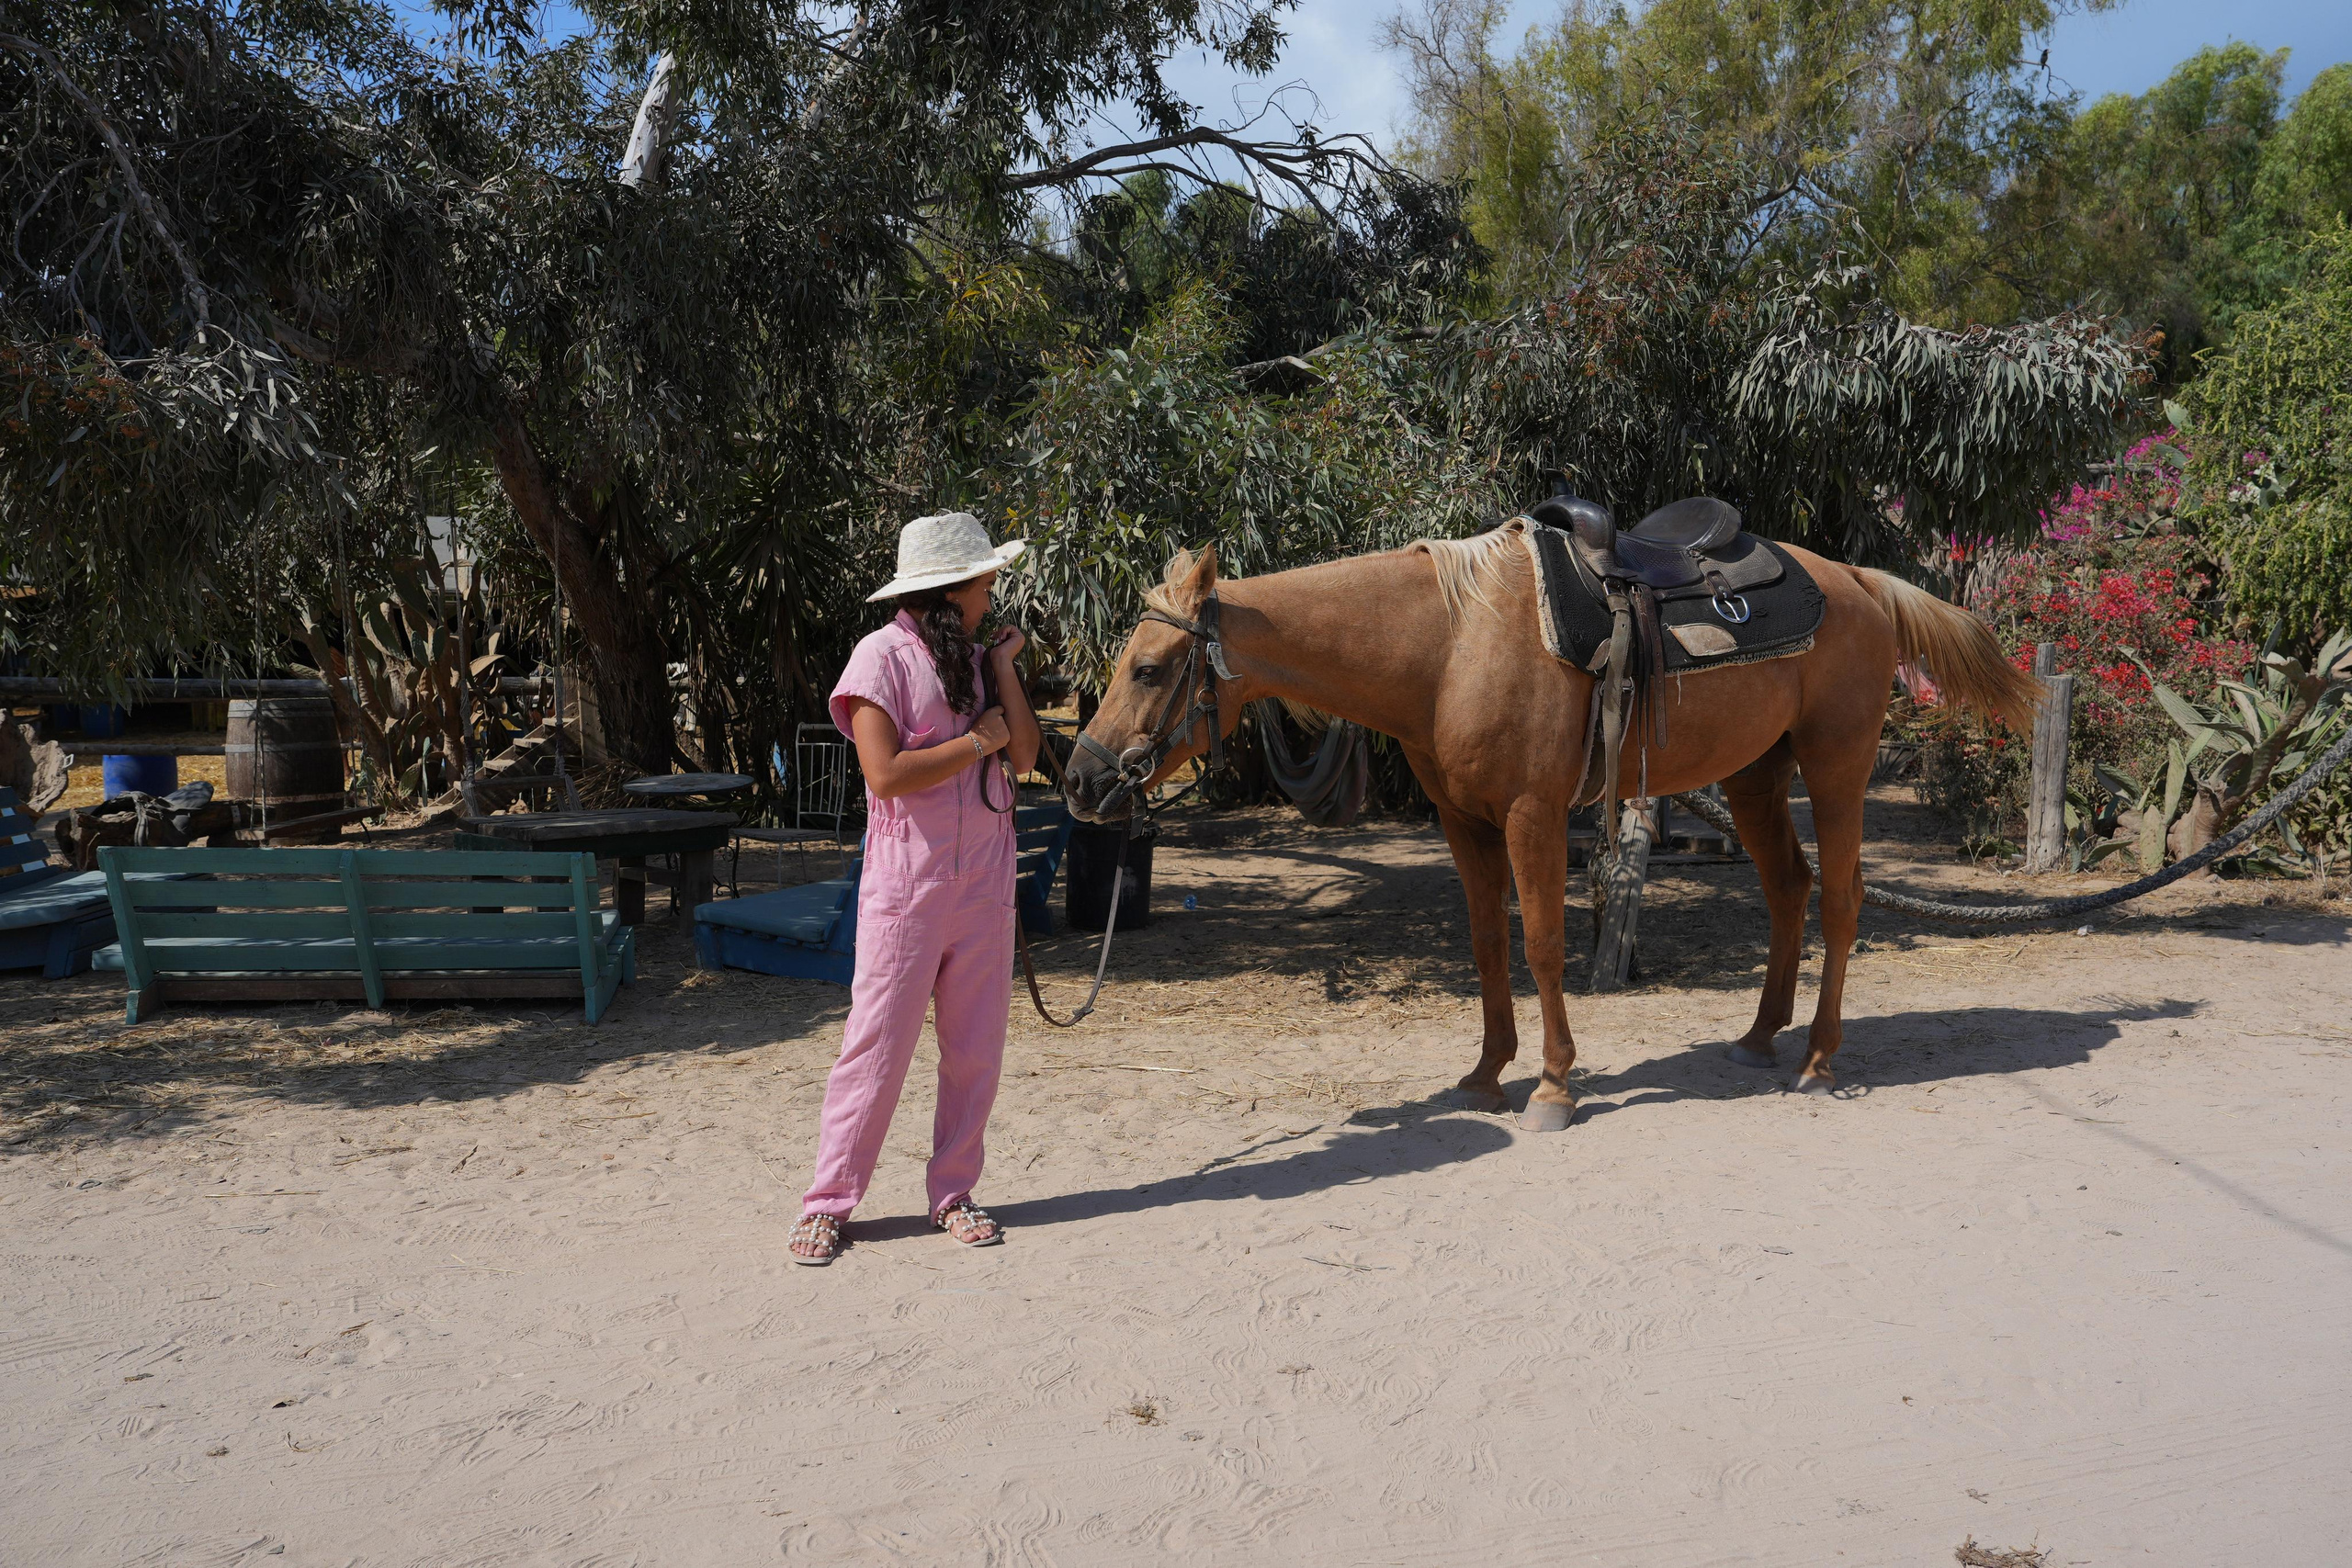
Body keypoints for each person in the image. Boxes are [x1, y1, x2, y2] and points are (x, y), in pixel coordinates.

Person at [789, 512, 1041, 1265]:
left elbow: (1027, 755)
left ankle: (953, 1193)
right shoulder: (880, 658)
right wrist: (976, 741)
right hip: (906, 890)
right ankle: (827, 1203)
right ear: (953, 591)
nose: (992, 596)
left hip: (984, 883)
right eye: (985, 583)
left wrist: (1004, 669)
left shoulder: (982, 661)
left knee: (975, 1051)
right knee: (875, 1048)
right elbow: (885, 773)